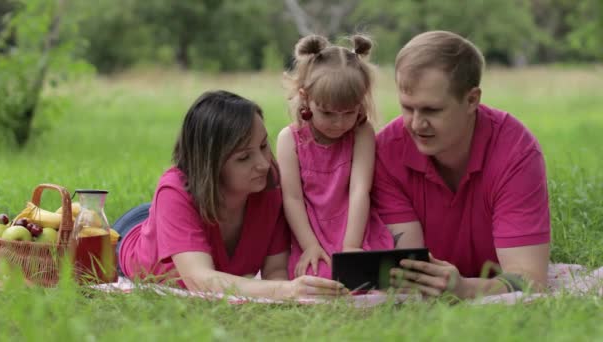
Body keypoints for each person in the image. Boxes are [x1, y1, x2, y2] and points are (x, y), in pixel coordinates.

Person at [115, 90, 347, 299]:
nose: (263, 164)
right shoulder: (175, 190)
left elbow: (275, 270)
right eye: (244, 157)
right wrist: (287, 290)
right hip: (131, 233)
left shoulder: (268, 184)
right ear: (211, 164)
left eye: (264, 146)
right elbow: (200, 279)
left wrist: (293, 292)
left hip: (172, 217)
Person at [372, 31, 550, 299]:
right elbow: (409, 271)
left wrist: (465, 289)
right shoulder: (386, 152)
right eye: (408, 108)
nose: (417, 124)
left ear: (471, 100)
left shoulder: (516, 152)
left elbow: (531, 280)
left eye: (432, 110)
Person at [277, 34, 394, 280]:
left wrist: (351, 246)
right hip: (310, 231)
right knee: (318, 276)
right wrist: (309, 245)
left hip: (354, 225)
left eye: (349, 112)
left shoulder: (361, 132)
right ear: (306, 96)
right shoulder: (290, 140)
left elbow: (359, 190)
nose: (339, 123)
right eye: (328, 113)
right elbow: (293, 198)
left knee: (369, 275)